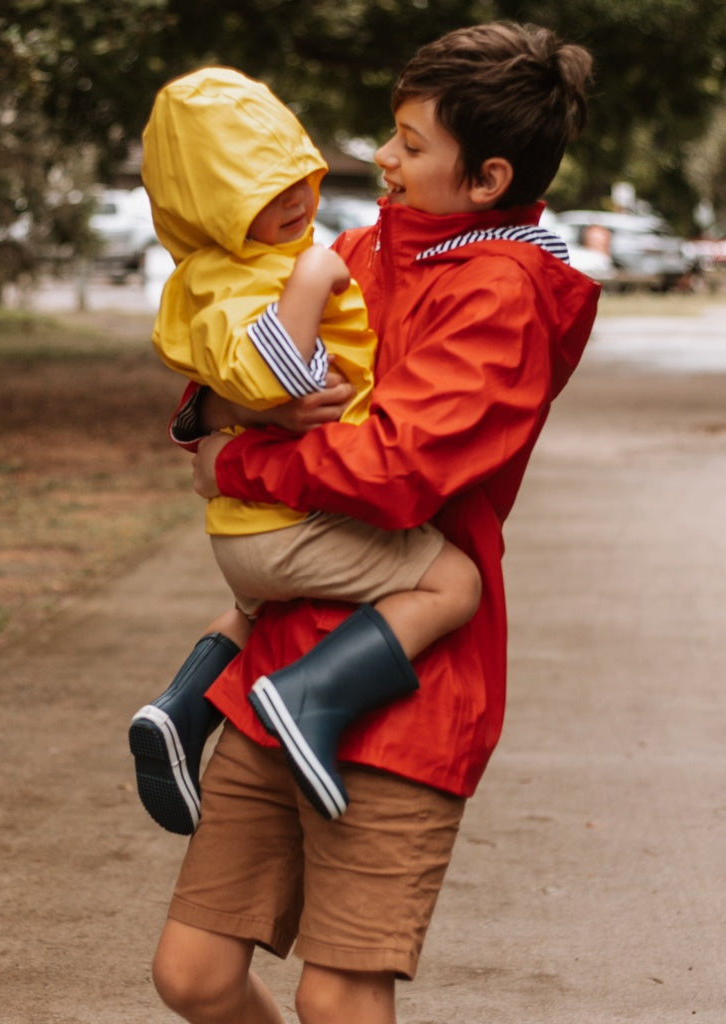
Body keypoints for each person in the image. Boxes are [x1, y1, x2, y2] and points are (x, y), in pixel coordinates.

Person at [148, 22, 601, 1024]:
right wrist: (209, 415)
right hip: (279, 660)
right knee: (194, 974)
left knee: (338, 995)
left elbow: (400, 471)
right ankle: (195, 693)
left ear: (484, 178)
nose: (382, 159)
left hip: (405, 692)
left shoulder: (501, 295)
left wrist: (243, 458)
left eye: (407, 143)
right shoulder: (360, 249)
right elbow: (241, 360)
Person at [128, 67, 482, 835]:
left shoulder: (213, 275)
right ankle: (311, 697)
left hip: (248, 530)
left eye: (300, 179)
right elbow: (271, 376)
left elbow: (221, 391)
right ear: (214, 208)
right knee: (455, 585)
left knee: (258, 608)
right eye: (262, 195)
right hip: (284, 519)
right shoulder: (268, 274)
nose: (294, 202)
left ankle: (181, 711)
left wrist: (217, 422)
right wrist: (317, 275)